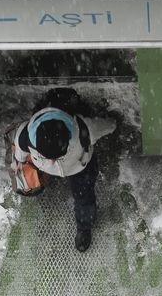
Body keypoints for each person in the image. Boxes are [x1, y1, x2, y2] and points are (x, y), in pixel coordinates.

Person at [10, 88, 116, 252]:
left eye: (57, 157)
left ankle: (84, 227)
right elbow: (20, 148)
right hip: (68, 163)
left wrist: (113, 123)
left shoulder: (84, 130)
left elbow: (105, 126)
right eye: (48, 157)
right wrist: (19, 161)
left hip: (80, 168)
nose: (52, 161)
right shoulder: (25, 136)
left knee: (84, 198)